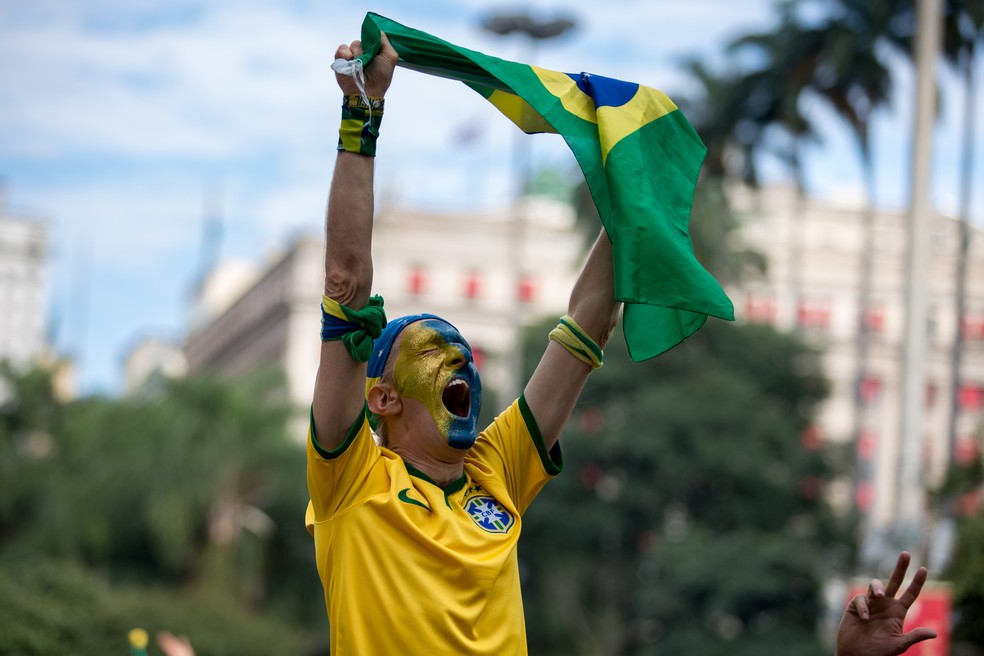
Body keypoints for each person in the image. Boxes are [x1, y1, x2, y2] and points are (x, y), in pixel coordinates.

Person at [305, 32, 940, 656]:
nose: (461, 358)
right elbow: (347, 284)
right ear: (382, 397)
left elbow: (588, 318)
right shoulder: (352, 478)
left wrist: (635, 180)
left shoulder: (496, 471)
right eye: (433, 350)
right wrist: (362, 113)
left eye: (464, 351)